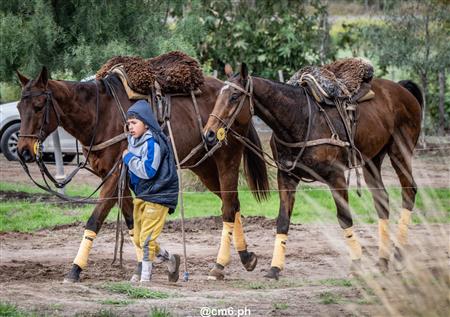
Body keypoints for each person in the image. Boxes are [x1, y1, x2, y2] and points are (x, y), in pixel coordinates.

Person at [122, 99, 180, 283]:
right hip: (142, 195)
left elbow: (148, 171)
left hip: (158, 194)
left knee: (146, 240)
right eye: (129, 123)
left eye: (134, 123)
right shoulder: (133, 141)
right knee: (139, 240)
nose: (130, 127)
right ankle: (170, 259)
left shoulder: (153, 143)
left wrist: (128, 158)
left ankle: (145, 279)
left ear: (146, 123)